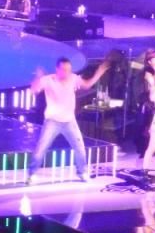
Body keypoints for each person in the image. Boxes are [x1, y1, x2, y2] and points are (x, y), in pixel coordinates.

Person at [26, 56, 111, 185]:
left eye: (69, 70)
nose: (67, 72)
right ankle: (31, 174)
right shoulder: (48, 80)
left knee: (80, 147)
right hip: (52, 121)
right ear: (57, 69)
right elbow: (33, 90)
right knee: (41, 148)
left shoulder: (73, 78)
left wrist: (99, 72)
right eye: (64, 69)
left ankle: (82, 172)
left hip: (69, 121)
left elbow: (87, 85)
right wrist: (38, 78)